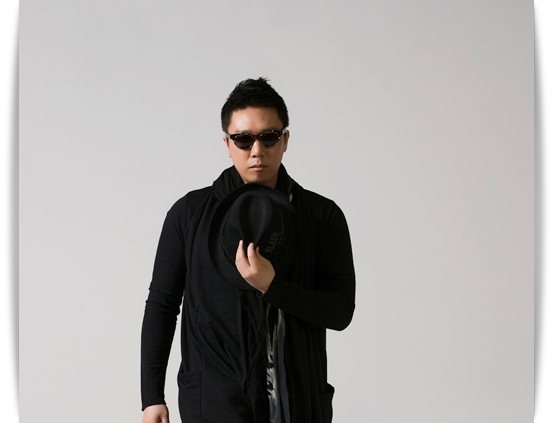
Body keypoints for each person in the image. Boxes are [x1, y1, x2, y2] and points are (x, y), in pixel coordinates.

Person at [141, 77, 356, 423]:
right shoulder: (189, 214)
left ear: (285, 140)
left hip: (299, 406)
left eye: (268, 137)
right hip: (213, 407)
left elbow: (340, 312)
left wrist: (273, 287)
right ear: (227, 144)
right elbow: (162, 305)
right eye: (243, 139)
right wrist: (152, 396)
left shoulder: (321, 216)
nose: (257, 151)